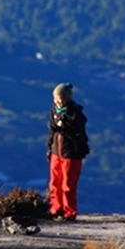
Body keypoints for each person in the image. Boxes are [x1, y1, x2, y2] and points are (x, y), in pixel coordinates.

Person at [46, 82, 89, 222]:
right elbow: (52, 132)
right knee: (54, 183)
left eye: (61, 98)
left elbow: (77, 133)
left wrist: (65, 125)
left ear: (67, 98)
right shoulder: (54, 111)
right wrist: (49, 149)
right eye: (56, 98)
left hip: (71, 154)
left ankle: (69, 212)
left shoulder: (75, 113)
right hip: (56, 153)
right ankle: (55, 209)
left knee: (67, 184)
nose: (58, 101)